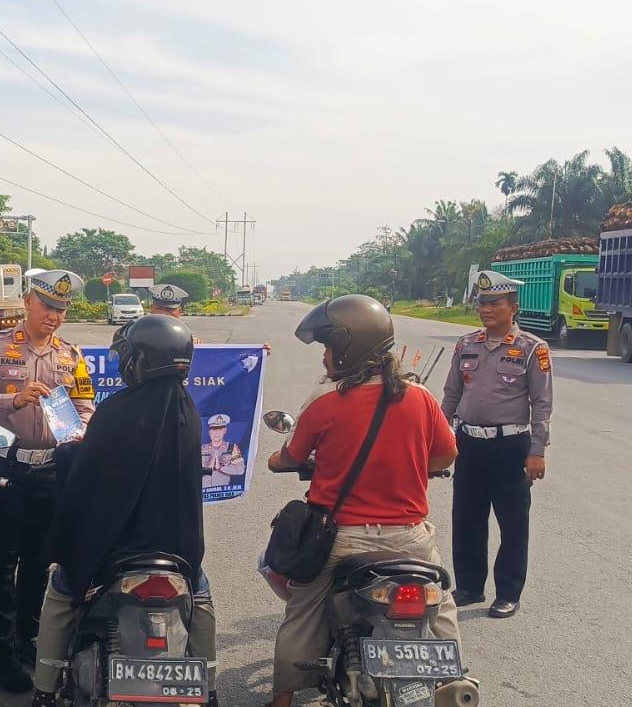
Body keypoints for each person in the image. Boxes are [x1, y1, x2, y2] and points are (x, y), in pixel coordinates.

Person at [266, 294, 460, 707]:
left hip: (342, 539)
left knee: (304, 609)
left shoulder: (325, 402)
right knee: (440, 602)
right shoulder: (420, 397)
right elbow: (445, 455)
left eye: (327, 347)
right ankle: (451, 679)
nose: (324, 358)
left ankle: (284, 694)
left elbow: (292, 457)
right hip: (409, 538)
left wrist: (275, 458)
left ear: (346, 347)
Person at [32, 315, 218, 707]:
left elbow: (88, 476)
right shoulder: (189, 412)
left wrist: (68, 454)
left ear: (139, 361)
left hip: (113, 548)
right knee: (199, 594)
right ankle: (211, 684)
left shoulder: (116, 411)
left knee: (62, 590)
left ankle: (45, 688)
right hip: (176, 548)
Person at [0, 268, 95, 691]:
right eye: (48, 306)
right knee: (4, 564)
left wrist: (82, 429)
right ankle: (2, 652)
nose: (54, 316)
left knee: (40, 562)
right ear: (28, 302)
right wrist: (13, 398)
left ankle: (28, 641)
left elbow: (85, 404)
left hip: (51, 470)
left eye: (62, 309)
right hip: (5, 469)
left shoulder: (72, 356)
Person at [440, 269, 552, 619]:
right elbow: (451, 395)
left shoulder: (533, 349)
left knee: (513, 522)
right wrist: (438, 438)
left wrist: (537, 450)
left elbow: (542, 403)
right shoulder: (466, 345)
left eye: (494, 303)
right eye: (482, 302)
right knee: (467, 518)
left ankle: (508, 593)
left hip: (510, 446)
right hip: (468, 444)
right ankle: (470, 586)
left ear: (512, 307)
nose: (486, 309)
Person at [201, 413, 246, 489]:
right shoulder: (202, 449)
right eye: (214, 429)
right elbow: (192, 471)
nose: (217, 433)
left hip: (223, 493)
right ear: (209, 432)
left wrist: (221, 468)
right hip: (204, 494)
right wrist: (208, 469)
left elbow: (240, 469)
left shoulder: (231, 448)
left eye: (220, 429)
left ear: (225, 431)